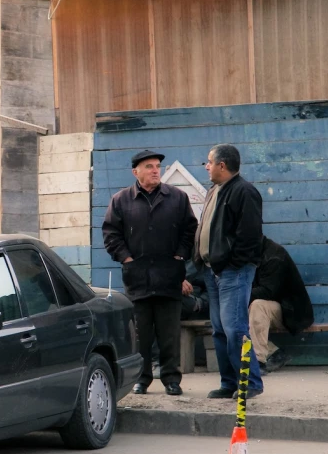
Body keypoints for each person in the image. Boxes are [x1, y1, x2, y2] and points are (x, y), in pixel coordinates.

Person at [102, 150, 198, 396]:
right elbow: (111, 234)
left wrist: (179, 256)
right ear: (136, 172)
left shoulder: (177, 198)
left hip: (169, 276)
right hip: (138, 278)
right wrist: (127, 258)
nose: (156, 170)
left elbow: (190, 231)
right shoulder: (121, 200)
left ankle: (171, 379)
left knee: (169, 333)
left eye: (158, 166)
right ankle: (141, 379)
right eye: (149, 166)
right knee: (140, 334)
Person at [195, 144, 265, 399]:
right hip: (213, 272)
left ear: (222, 165)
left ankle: (251, 383)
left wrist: (229, 265)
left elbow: (248, 238)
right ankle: (229, 383)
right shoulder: (215, 190)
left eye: (209, 162)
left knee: (235, 328)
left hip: (232, 272)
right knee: (220, 329)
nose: (207, 167)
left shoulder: (244, 192)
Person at [250, 236, 314, 373]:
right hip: (275, 308)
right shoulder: (252, 252)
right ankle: (274, 353)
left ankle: (258, 362)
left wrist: (237, 294)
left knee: (257, 306)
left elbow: (267, 292)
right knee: (235, 312)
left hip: (291, 311)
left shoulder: (274, 256)